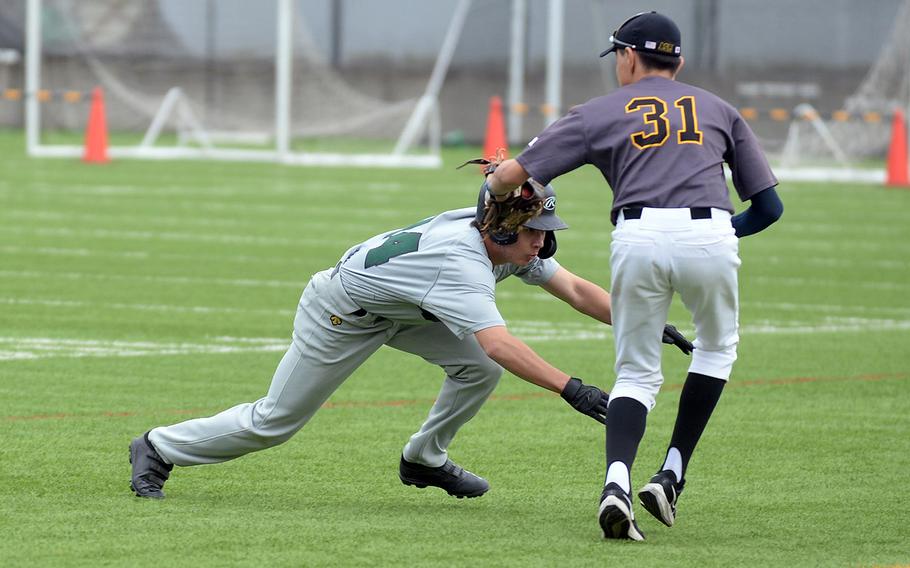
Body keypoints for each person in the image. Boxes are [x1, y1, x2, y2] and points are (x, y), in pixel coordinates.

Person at [129, 181, 692, 501]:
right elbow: (498, 342)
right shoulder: (464, 264)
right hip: (344, 312)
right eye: (535, 232)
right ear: (500, 227)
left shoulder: (500, 242)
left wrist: (636, 320)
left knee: (478, 370)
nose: (543, 244)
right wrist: (573, 389)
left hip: (407, 306)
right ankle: (160, 446)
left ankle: (423, 458)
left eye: (545, 232)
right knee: (275, 421)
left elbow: (572, 288)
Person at [486, 11, 783, 540]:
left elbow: (511, 178)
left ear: (626, 56)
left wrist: (497, 182)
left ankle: (616, 484)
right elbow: (769, 207)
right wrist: (714, 237)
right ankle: (671, 474)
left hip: (636, 235)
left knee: (636, 373)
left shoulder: (597, 111)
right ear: (679, 61)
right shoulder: (718, 108)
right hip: (709, 231)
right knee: (717, 349)